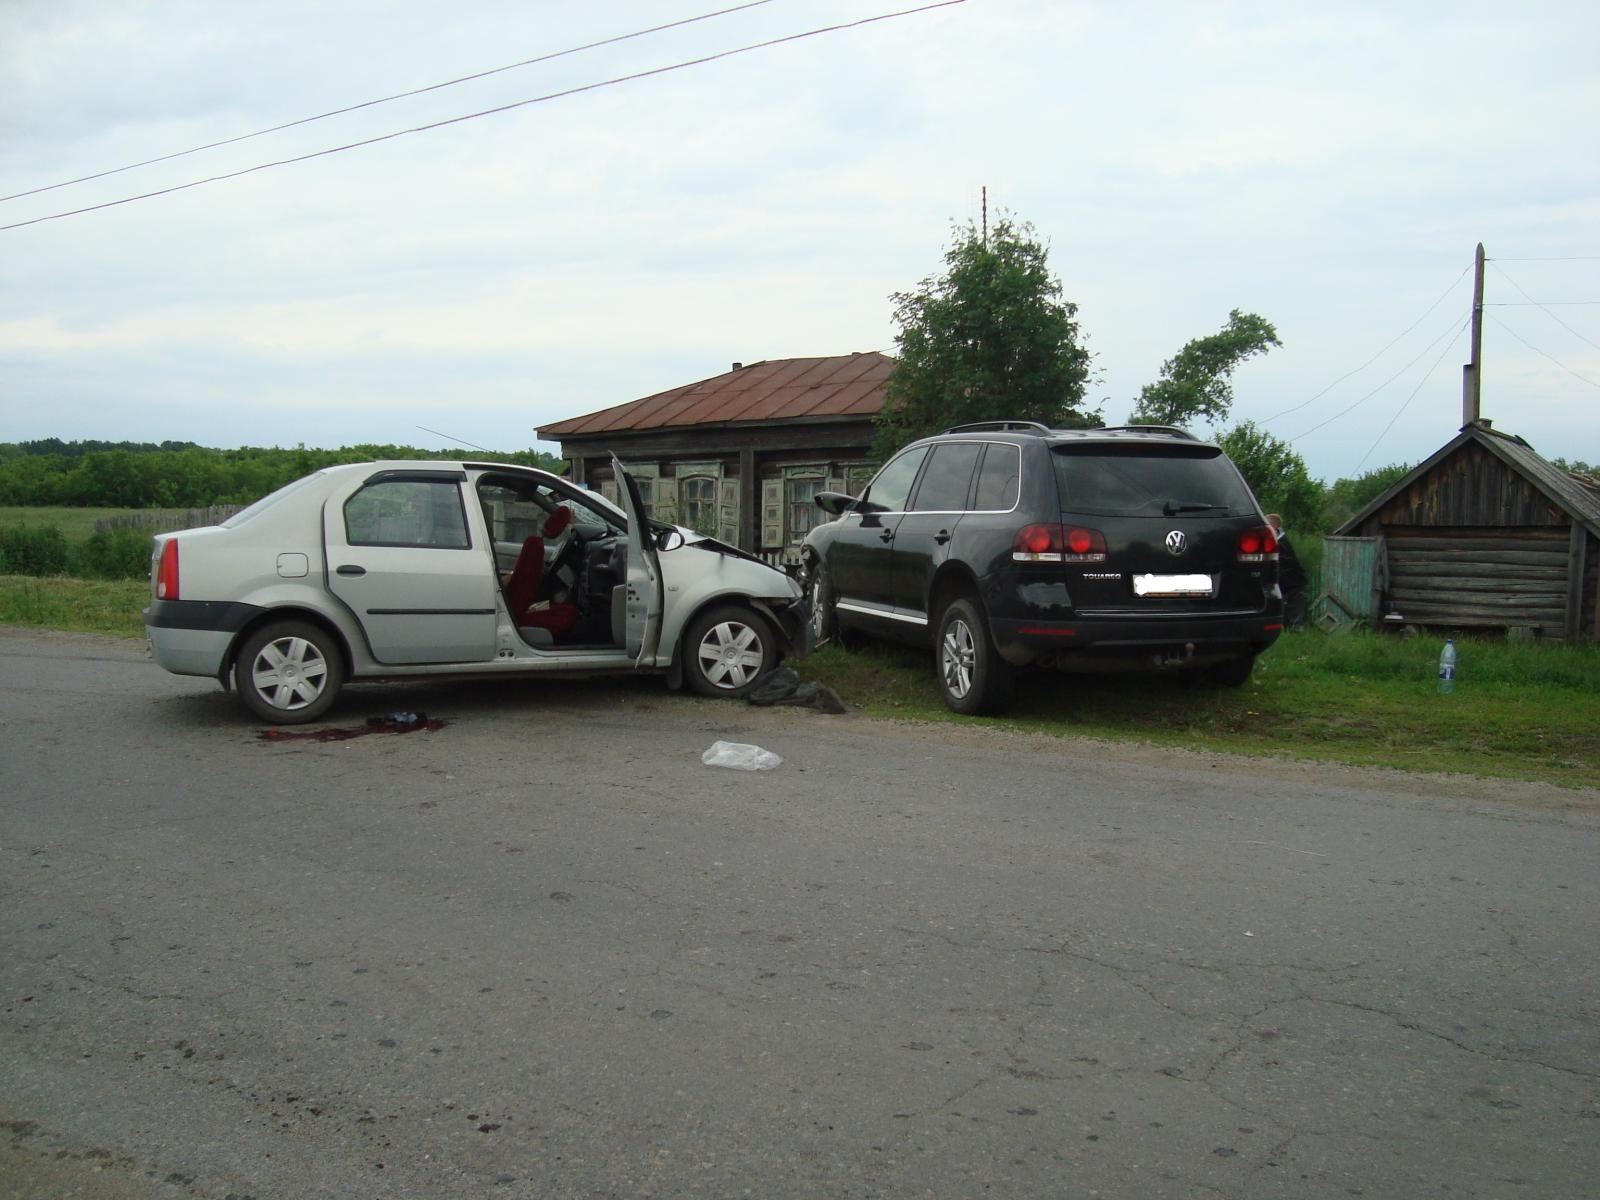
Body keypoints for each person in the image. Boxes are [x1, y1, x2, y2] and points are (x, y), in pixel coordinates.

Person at [1266, 512, 1308, 629]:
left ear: (1275, 528)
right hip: (1288, 587)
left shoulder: (1282, 544)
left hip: (1295, 587)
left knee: (1294, 621)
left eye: (1268, 526)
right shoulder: (1278, 542)